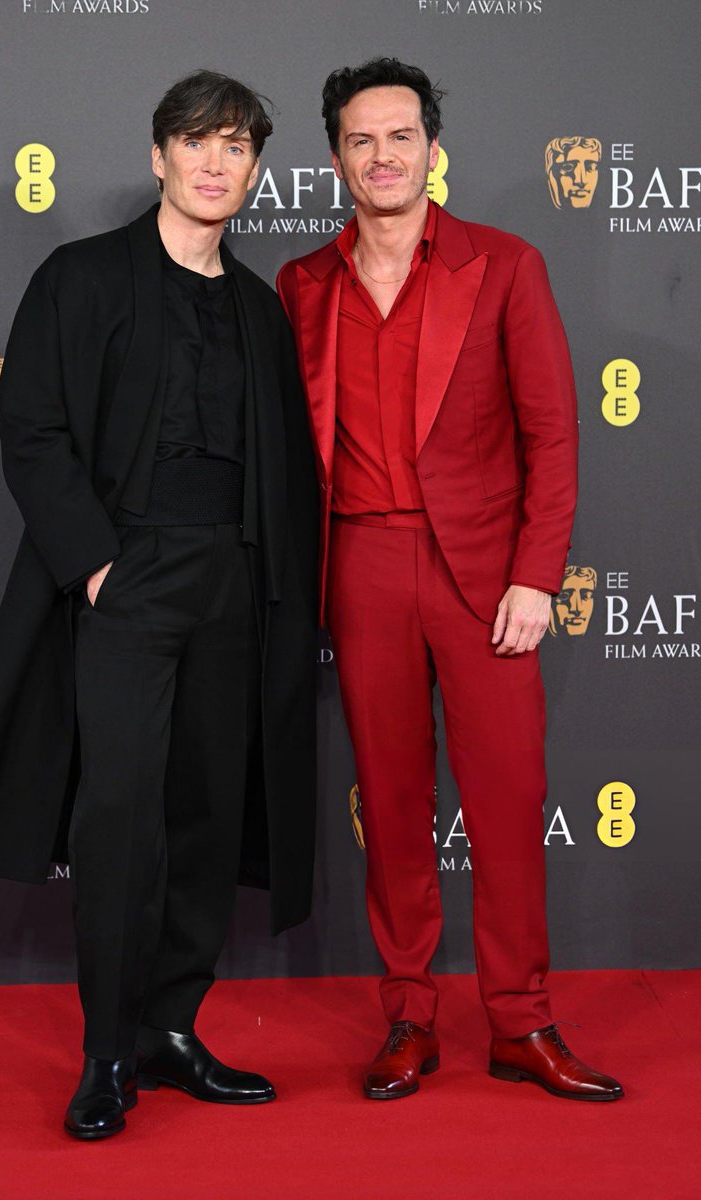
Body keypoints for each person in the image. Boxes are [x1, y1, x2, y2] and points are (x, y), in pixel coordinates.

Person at [0, 70, 318, 1139]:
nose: (213, 162)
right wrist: (97, 569)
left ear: (255, 170)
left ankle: (172, 1028)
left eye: (234, 147)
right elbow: (34, 432)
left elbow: (288, 472)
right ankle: (106, 1051)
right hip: (128, 579)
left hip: (233, 582)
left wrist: (274, 591)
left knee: (203, 814)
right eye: (195, 142)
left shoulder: (257, 308)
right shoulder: (80, 277)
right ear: (158, 156)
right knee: (120, 820)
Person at [278, 57, 622, 1103]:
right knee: (388, 802)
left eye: (399, 135)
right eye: (358, 138)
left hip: (483, 575)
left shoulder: (504, 265)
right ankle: (410, 1018)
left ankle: (520, 1022)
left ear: (431, 147)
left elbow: (552, 436)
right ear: (334, 156)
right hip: (363, 566)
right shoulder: (303, 284)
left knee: (509, 803)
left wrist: (534, 577)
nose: (381, 155)